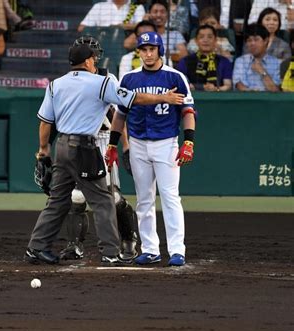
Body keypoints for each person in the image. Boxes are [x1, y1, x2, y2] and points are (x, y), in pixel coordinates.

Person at [24, 42, 185, 266]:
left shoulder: (55, 85)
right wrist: (163, 98)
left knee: (57, 201)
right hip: (84, 148)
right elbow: (133, 99)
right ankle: (110, 252)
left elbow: (45, 122)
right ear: (88, 61)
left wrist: (43, 151)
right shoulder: (101, 82)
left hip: (61, 146)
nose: (95, 62)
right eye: (93, 58)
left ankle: (36, 247)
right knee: (103, 201)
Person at [106, 31, 196, 267]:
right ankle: (150, 249)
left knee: (170, 197)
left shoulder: (175, 77)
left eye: (151, 49)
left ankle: (177, 250)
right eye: (143, 49)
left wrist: (189, 141)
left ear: (160, 51)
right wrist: (113, 144)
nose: (147, 53)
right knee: (144, 199)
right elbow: (120, 116)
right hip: (137, 143)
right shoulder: (129, 79)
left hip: (166, 143)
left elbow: (187, 112)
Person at [58, 35, 138, 263]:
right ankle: (75, 245)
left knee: (112, 197)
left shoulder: (106, 78)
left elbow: (118, 114)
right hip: (77, 141)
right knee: (76, 196)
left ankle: (128, 241)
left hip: (103, 140)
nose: (94, 58)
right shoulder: (67, 80)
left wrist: (124, 145)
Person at [123, 0, 188, 63]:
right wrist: (144, 23)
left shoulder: (175, 34)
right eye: (155, 12)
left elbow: (184, 54)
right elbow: (127, 44)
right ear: (149, 13)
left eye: (162, 12)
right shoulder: (144, 34)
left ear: (167, 15)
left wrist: (162, 56)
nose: (158, 15)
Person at [177, 24, 233, 91]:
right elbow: (181, 84)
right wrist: (197, 87)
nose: (205, 40)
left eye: (209, 37)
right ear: (196, 41)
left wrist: (216, 89)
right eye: (201, 37)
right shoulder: (185, 61)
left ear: (215, 40)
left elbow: (228, 85)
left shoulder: (224, 61)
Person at [233, 24, 281, 91]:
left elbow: (275, 90)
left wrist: (262, 71)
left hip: (268, 100)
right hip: (247, 99)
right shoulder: (241, 61)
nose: (252, 43)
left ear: (266, 41)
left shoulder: (276, 63)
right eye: (249, 40)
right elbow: (239, 85)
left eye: (256, 40)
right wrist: (252, 93)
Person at [78, 0, 146, 32]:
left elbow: (143, 27)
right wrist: (104, 29)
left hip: (125, 48)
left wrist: (121, 26)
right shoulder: (99, 6)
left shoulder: (137, 7)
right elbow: (81, 28)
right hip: (101, 44)